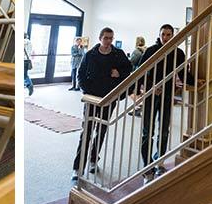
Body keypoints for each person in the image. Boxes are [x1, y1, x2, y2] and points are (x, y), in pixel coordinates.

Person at [137, 24, 204, 182]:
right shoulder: (151, 51)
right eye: (163, 34)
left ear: (173, 36)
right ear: (159, 35)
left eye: (168, 35)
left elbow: (183, 73)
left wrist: (195, 82)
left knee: (164, 131)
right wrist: (148, 88)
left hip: (167, 95)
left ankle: (159, 162)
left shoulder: (178, 53)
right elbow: (140, 72)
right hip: (150, 94)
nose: (165, 38)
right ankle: (147, 168)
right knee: (148, 132)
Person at [72, 27, 132, 181]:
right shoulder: (91, 55)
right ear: (100, 38)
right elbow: (81, 74)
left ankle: (93, 159)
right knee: (87, 132)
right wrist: (87, 91)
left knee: (101, 131)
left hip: (109, 99)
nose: (108, 41)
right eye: (105, 38)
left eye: (111, 38)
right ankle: (78, 168)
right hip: (92, 99)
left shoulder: (118, 54)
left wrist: (119, 73)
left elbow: (128, 70)